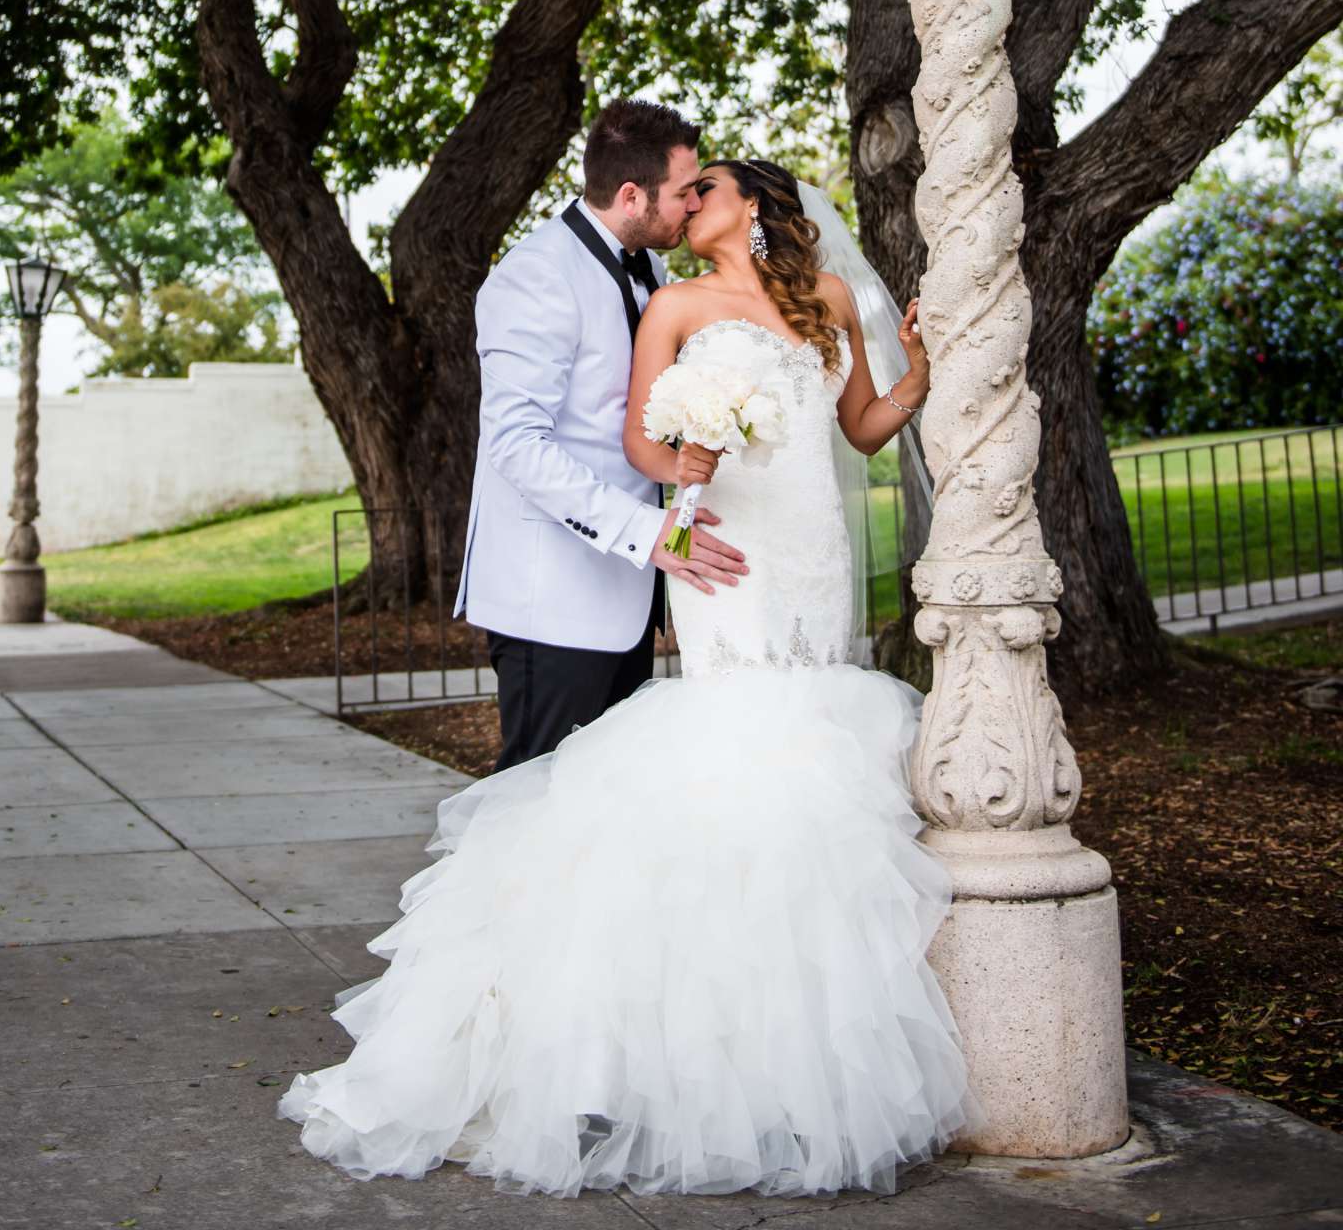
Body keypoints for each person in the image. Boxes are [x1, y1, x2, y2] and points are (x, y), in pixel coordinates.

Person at [280, 157, 975, 1197]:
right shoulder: (674, 307)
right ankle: (691, 1063)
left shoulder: (825, 297)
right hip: (721, 553)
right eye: (681, 193)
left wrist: (914, 369)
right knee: (741, 744)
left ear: (753, 206)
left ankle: (793, 1056)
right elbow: (639, 445)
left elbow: (864, 427)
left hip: (813, 554)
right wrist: (684, 464)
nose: (686, 206)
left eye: (706, 193)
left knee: (816, 743)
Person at [453, 97, 748, 771]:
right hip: (552, 600)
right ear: (629, 195)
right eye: (684, 193)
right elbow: (517, 446)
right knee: (534, 804)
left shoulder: (654, 270)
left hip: (628, 593)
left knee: (604, 804)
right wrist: (647, 534)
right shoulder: (537, 275)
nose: (695, 206)